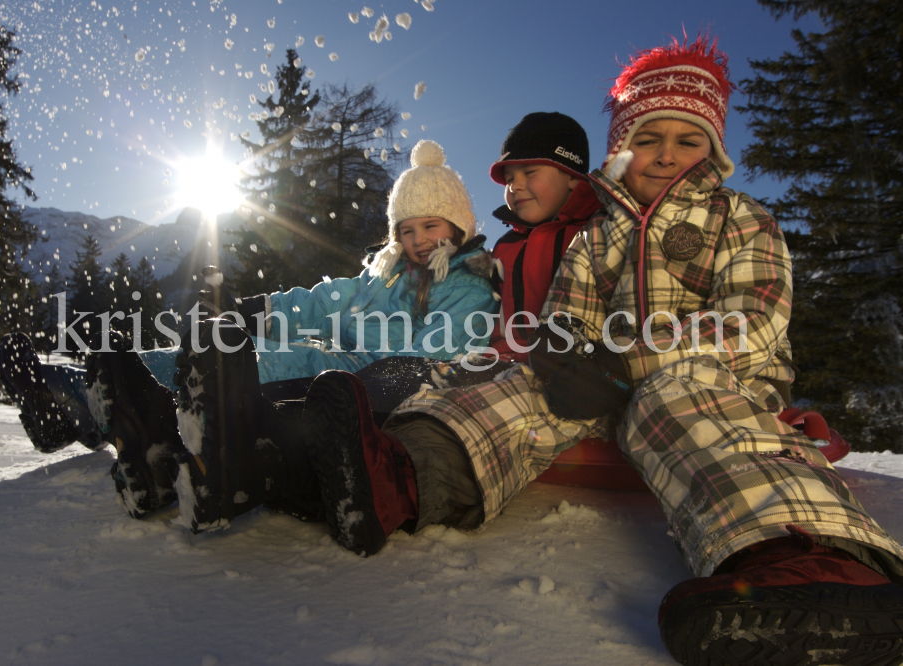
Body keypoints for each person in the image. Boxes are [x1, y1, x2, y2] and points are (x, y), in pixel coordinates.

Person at [283, 36, 903, 665]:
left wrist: (626, 361)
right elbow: (564, 319)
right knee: (516, 385)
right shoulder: (598, 238)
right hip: (608, 383)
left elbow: (752, 321)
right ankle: (403, 475)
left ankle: (815, 562)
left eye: (687, 141)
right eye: (648, 139)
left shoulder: (738, 219)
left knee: (677, 394)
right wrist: (561, 359)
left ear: (712, 151)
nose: (665, 155)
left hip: (721, 380)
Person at [0, 139, 498, 453]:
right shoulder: (385, 275)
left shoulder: (467, 284)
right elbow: (327, 302)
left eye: (430, 225)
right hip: (339, 365)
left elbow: (437, 354)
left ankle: (113, 401)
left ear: (458, 225)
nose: (417, 239)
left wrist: (366, 368)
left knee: (241, 369)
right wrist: (262, 310)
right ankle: (80, 381)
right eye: (405, 228)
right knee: (221, 353)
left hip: (369, 387)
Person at [486, 112, 601, 362]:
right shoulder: (506, 246)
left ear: (571, 175)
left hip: (569, 366)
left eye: (529, 172)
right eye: (509, 180)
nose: (514, 186)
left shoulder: (595, 232)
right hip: (502, 360)